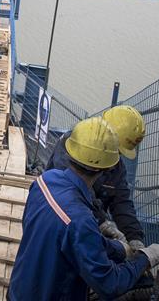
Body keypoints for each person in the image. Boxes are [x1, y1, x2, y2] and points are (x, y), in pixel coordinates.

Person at [8, 117, 159, 300]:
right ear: (109, 165)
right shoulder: (81, 219)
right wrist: (145, 258)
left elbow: (69, 237)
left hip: (19, 289)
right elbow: (109, 284)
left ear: (70, 151)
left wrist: (119, 249)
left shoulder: (43, 182)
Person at [47, 105, 147, 250]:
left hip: (87, 224)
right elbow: (75, 187)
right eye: (116, 149)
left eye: (119, 152)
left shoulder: (116, 166)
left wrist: (134, 237)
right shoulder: (74, 143)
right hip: (59, 217)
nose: (116, 156)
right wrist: (102, 222)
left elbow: (121, 201)